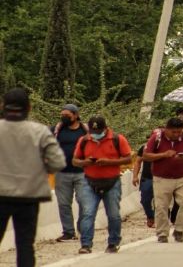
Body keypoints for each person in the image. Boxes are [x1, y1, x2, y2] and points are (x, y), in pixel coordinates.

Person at [0, 88, 66, 267]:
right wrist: (39, 169)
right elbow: (58, 162)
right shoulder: (40, 131)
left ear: (3, 106)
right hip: (29, 196)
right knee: (25, 244)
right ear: (29, 107)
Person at [73, 115, 133, 254]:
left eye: (99, 131)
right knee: (87, 213)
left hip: (112, 181)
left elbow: (128, 158)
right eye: (93, 132)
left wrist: (109, 162)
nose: (96, 135)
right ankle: (86, 244)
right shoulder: (84, 140)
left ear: (105, 128)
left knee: (113, 214)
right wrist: (85, 162)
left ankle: (113, 242)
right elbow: (75, 160)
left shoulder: (118, 139)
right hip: (90, 181)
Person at [142, 117, 183, 244]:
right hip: (162, 178)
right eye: (173, 132)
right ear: (166, 129)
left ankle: (179, 230)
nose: (177, 135)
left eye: (179, 132)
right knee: (161, 206)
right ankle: (162, 233)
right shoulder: (156, 137)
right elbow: (146, 156)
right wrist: (163, 155)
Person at [53, 103, 88, 243]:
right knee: (63, 203)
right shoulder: (57, 130)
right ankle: (68, 232)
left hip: (82, 172)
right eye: (62, 115)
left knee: (84, 201)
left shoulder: (85, 131)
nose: (64, 118)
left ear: (76, 115)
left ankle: (83, 228)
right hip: (62, 172)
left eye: (67, 115)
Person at [132, 143, 155, 228]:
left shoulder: (164, 147)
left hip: (161, 178)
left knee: (160, 201)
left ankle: (159, 219)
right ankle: (150, 216)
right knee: (145, 200)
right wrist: (135, 176)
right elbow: (138, 162)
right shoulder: (144, 148)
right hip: (147, 178)